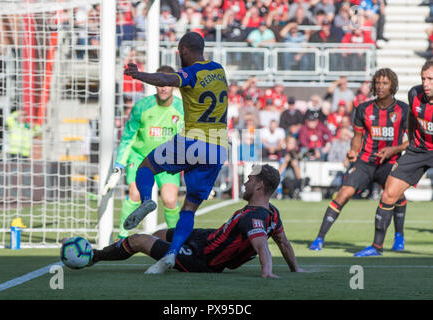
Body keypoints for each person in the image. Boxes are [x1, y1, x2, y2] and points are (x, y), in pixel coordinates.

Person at [121, 32, 228, 274]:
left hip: (194, 140)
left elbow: (164, 78)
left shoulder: (191, 73)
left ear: (184, 50)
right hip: (219, 146)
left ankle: (148, 200)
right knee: (189, 208)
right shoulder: (219, 69)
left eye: (180, 53)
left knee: (146, 167)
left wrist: (138, 75)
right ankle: (171, 254)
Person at [86, 164, 304, 277]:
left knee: (138, 240)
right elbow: (283, 242)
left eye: (249, 180)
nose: (245, 183)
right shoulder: (271, 213)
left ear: (259, 187)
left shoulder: (253, 217)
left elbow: (262, 246)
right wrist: (295, 269)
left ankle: (95, 256)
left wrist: (266, 271)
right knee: (160, 235)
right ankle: (162, 253)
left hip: (204, 259)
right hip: (207, 238)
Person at [309, 68, 409, 252]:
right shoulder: (363, 108)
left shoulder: (403, 109)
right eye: (377, 83)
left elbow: (412, 141)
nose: (380, 87)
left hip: (390, 163)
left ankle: (399, 237)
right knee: (343, 194)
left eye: (385, 83)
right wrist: (353, 152)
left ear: (393, 86)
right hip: (365, 162)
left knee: (398, 196)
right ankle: (319, 238)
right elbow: (357, 136)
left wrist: (392, 150)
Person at [354, 61, 433, 256]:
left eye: (430, 79)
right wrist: (411, 146)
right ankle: (376, 246)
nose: (425, 83)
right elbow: (413, 120)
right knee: (389, 192)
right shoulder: (414, 94)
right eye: (423, 78)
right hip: (419, 150)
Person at [102, 66, 184, 239]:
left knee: (170, 199)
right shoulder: (142, 107)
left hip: (166, 160)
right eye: (159, 83)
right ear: (154, 84)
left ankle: (176, 240)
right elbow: (128, 138)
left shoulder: (182, 109)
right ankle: (122, 238)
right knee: (135, 193)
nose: (163, 87)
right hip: (140, 157)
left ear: (174, 86)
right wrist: (118, 166)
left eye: (167, 84)